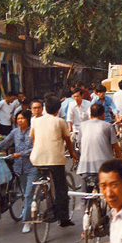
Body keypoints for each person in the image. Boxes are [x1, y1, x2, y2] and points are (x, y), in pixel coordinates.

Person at [30, 96, 78, 227]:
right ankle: (63, 219)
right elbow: (68, 140)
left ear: (45, 108)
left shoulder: (36, 121)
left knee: (45, 182)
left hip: (37, 159)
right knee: (60, 188)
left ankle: (45, 199)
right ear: (58, 110)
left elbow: (33, 139)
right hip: (55, 159)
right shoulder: (59, 122)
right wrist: (72, 153)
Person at [0, 110, 36, 233]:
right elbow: (4, 143)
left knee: (28, 194)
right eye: (18, 118)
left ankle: (27, 222)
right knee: (26, 193)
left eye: (22, 118)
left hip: (32, 166)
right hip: (19, 168)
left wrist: (21, 154)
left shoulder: (33, 131)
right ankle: (31, 209)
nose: (20, 121)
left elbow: (35, 148)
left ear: (28, 119)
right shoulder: (14, 132)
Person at [77, 104, 122, 193]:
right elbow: (116, 148)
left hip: (85, 167)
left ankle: (85, 206)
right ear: (103, 115)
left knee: (85, 196)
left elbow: (81, 146)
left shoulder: (83, 125)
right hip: (104, 168)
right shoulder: (107, 126)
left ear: (90, 115)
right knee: (110, 194)